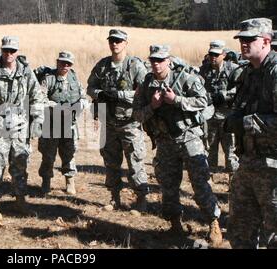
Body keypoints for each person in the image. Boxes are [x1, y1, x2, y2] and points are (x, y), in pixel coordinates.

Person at [133, 45, 223, 246]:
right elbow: (136, 115)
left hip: (189, 138)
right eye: (153, 60)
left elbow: (204, 102)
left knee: (200, 183)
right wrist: (152, 106)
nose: (156, 64)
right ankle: (175, 223)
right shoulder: (147, 84)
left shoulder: (185, 77)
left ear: (169, 61)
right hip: (164, 141)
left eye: (160, 60)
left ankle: (213, 221)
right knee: (168, 186)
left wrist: (177, 100)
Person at [0, 36, 45, 221]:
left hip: (21, 126)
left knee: (20, 164)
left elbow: (36, 96)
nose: (9, 54)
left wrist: (36, 120)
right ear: (1, 49)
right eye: (6, 50)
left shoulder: (26, 71)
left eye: (12, 51)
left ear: (17, 51)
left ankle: (20, 201)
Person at [224, 18, 277, 249]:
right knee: (239, 230)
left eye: (249, 39)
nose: (243, 44)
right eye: (241, 40)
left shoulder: (275, 72)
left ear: (266, 41)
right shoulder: (248, 73)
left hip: (273, 167)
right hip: (248, 162)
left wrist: (247, 122)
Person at [87, 29, 149, 212]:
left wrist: (120, 95)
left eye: (119, 41)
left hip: (130, 122)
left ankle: (141, 200)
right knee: (111, 162)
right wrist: (101, 95)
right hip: (109, 122)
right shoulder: (103, 65)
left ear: (125, 43)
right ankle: (114, 198)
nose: (115, 44)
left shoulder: (135, 66)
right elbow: (90, 87)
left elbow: (144, 91)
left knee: (135, 161)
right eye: (112, 40)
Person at [37, 51, 86, 196]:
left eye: (68, 63)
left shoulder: (75, 79)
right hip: (50, 124)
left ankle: (70, 181)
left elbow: (83, 97)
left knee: (69, 153)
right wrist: (56, 107)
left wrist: (79, 106)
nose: (65, 65)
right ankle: (46, 181)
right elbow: (40, 98)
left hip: (68, 124)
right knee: (48, 155)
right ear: (57, 62)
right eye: (62, 62)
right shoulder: (48, 79)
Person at [199, 40, 241, 173]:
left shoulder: (234, 69)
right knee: (210, 150)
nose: (213, 57)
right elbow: (198, 88)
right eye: (211, 54)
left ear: (223, 54)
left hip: (227, 117)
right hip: (210, 117)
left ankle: (232, 183)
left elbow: (240, 89)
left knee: (231, 152)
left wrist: (224, 95)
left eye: (216, 55)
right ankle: (209, 183)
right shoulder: (204, 70)